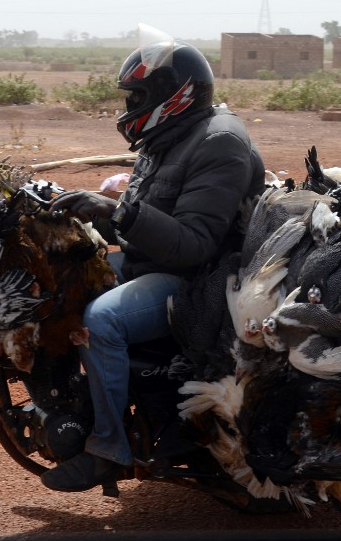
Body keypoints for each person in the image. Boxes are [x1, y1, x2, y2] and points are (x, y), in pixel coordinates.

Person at [41, 31, 266, 492]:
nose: (132, 106)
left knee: (101, 319)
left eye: (140, 95)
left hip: (199, 282)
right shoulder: (167, 136)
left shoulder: (219, 142)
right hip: (154, 262)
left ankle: (108, 449)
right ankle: (72, 404)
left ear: (174, 95)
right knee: (60, 280)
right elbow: (141, 219)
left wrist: (115, 210)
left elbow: (194, 244)